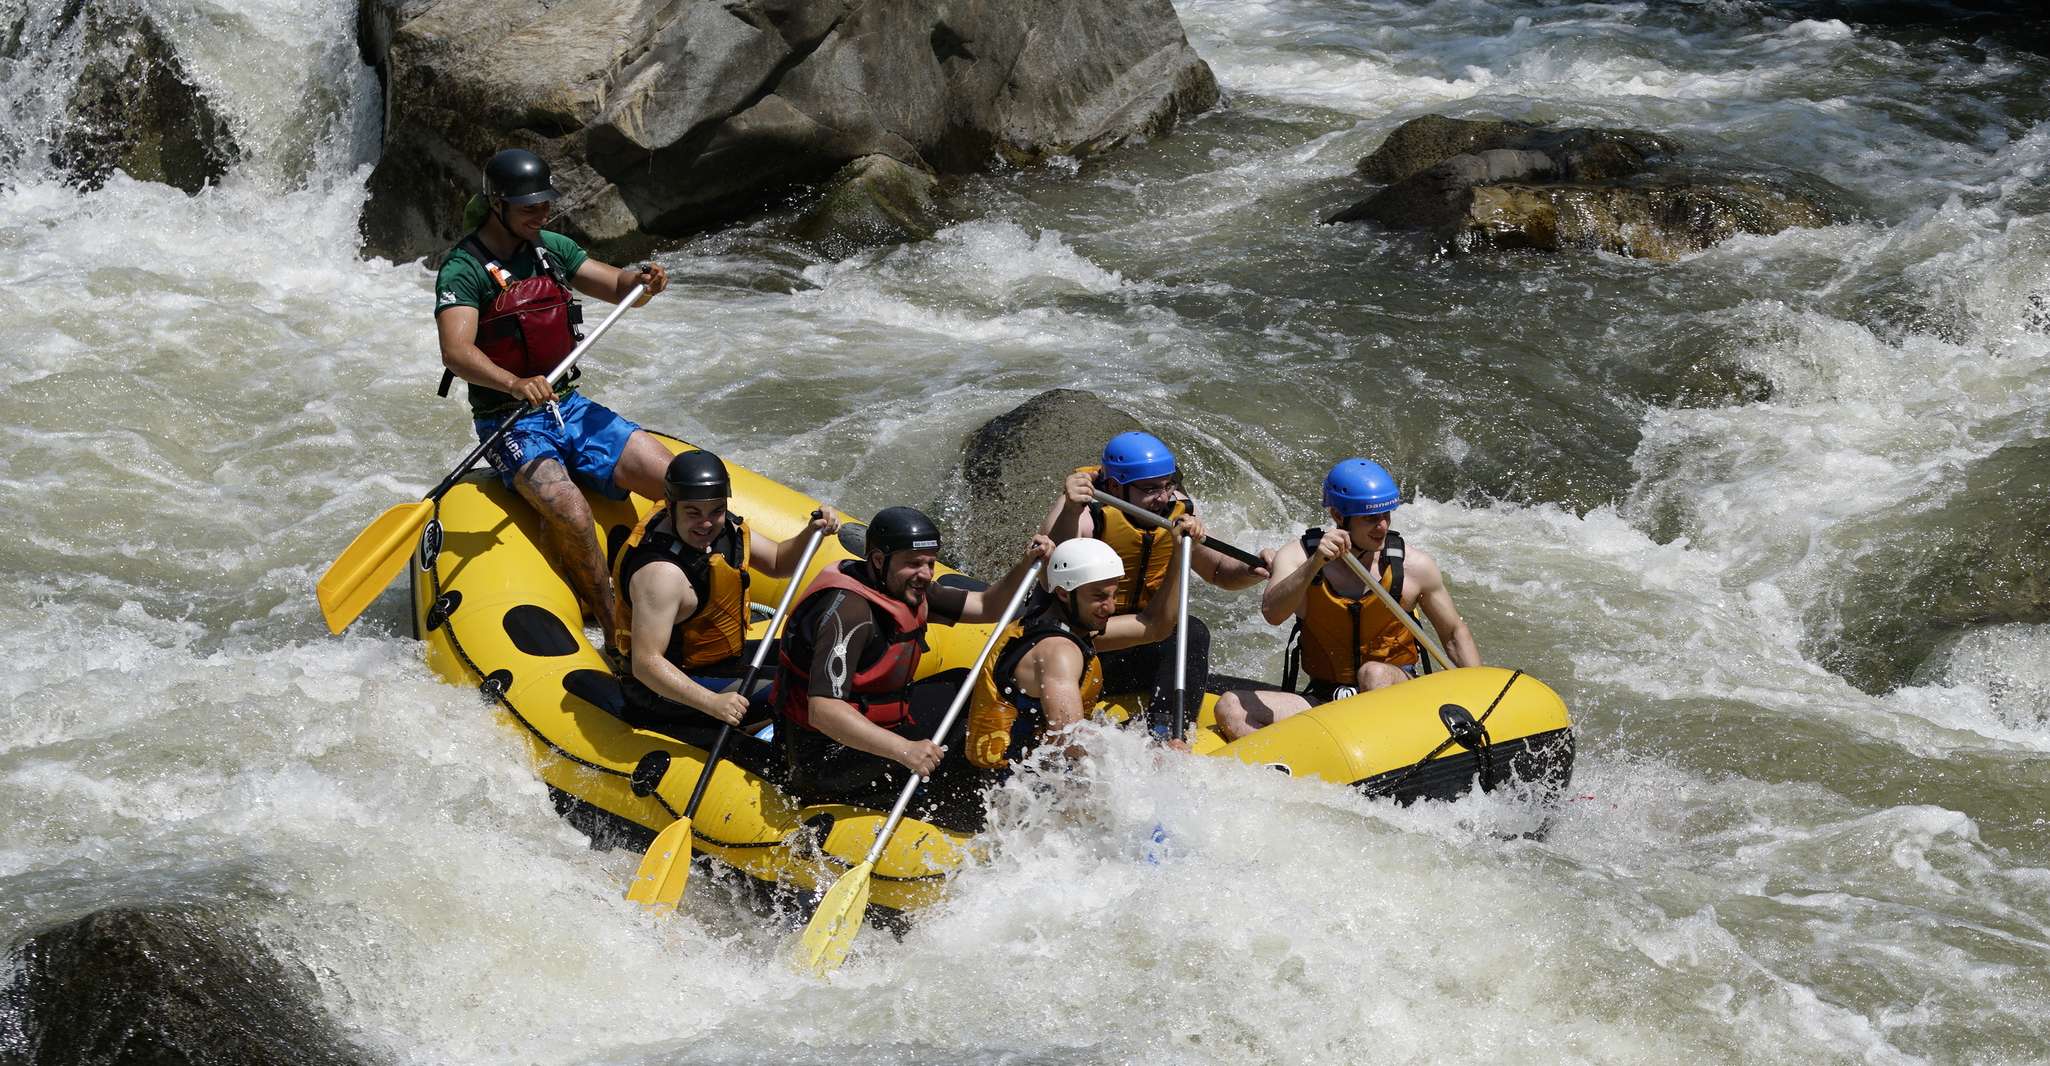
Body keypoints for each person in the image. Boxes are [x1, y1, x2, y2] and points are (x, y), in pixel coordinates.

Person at [432, 147, 673, 657]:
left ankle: (678, 590)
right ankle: (613, 627)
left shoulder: (551, 248)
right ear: (497, 205)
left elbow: (617, 284)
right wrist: (514, 383)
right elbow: (456, 351)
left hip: (571, 407)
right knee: (571, 509)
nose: (541, 215)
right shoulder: (464, 269)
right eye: (529, 208)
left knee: (672, 479)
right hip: (510, 422)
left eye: (544, 205)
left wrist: (644, 282)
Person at [771, 508, 1051, 823]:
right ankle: (959, 807)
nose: (926, 573)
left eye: (931, 563)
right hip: (824, 758)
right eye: (914, 563)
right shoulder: (848, 613)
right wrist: (906, 750)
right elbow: (823, 711)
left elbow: (989, 605)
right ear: (878, 560)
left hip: (879, 723)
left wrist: (1026, 564)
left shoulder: (905, 589)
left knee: (965, 687)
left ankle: (1006, 779)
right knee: (958, 717)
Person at [1213, 459, 1480, 742]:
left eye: (1386, 515)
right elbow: (1272, 613)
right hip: (1326, 698)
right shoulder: (1297, 558)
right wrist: (1314, 564)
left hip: (1398, 692)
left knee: (1373, 674)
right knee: (1230, 707)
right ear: (1338, 516)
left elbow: (1453, 633)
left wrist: (1480, 693)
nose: (1382, 526)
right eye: (1370, 519)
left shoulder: (1414, 566)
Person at [609, 450, 839, 777]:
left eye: (716, 511)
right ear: (671, 506)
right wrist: (712, 703)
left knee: (817, 661)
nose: (706, 523)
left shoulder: (725, 530)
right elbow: (646, 665)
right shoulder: (661, 576)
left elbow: (777, 562)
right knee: (805, 690)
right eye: (693, 513)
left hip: (717, 662)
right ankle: (801, 769)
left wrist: (811, 533)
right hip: (667, 689)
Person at [1043, 431, 1268, 735]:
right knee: (1190, 632)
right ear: (1113, 487)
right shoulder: (1083, 514)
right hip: (1082, 641)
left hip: (1140, 635)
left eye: (1168, 485)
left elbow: (1216, 572)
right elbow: (1049, 578)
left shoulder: (1176, 510)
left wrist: (1250, 570)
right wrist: (1069, 510)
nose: (1163, 497)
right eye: (1150, 489)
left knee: (1190, 633)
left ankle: (1168, 731)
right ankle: (1166, 736)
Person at [964, 531, 1193, 774]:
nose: (1111, 606)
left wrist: (1179, 555)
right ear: (1063, 593)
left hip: (1035, 772)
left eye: (1114, 594)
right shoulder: (1058, 652)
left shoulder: (1062, 624)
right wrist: (1150, 757)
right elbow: (1071, 742)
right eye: (1099, 597)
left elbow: (1156, 627)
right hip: (1014, 785)